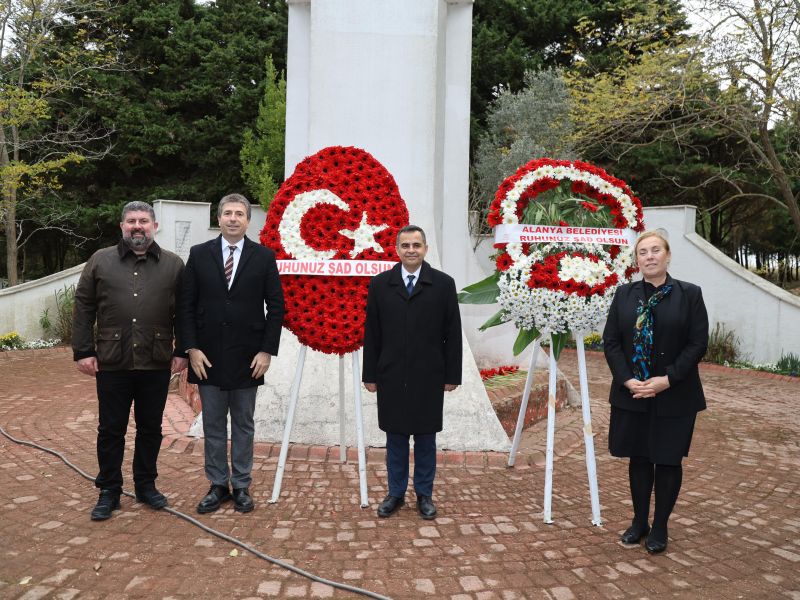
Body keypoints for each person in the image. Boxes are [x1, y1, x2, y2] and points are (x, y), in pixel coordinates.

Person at [73, 201, 187, 521]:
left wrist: (182, 350)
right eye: (131, 221)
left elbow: (185, 312)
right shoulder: (100, 261)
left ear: (154, 225)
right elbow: (84, 306)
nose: (138, 226)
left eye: (144, 221)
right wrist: (83, 350)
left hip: (156, 359)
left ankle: (145, 485)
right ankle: (109, 490)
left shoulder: (174, 265)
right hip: (113, 361)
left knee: (150, 428)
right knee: (111, 428)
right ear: (122, 226)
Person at [603, 229, 709, 554]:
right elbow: (611, 342)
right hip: (632, 393)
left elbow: (697, 344)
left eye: (655, 250)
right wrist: (626, 379)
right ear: (637, 261)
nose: (649, 257)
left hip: (675, 394)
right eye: (642, 252)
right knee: (639, 458)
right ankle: (639, 522)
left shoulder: (689, 294)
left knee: (666, 460)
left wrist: (668, 379)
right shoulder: (624, 295)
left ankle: (660, 525)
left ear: (668, 255)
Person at [178, 193, 284, 514]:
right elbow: (185, 306)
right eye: (228, 213)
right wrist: (192, 348)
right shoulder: (198, 255)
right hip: (206, 356)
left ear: (248, 220)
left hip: (248, 357)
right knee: (212, 423)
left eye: (240, 213)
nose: (233, 218)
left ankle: (241, 485)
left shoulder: (263, 257)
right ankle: (217, 485)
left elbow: (276, 307)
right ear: (219, 218)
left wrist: (267, 351)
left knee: (243, 424)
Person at [362, 225, 462, 520]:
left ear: (425, 249)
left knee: (425, 438)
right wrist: (370, 374)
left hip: (428, 375)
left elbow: (452, 333)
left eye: (416, 245)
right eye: (405, 245)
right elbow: (373, 334)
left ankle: (424, 494)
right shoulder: (380, 284)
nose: (411, 250)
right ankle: (395, 493)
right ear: (396, 249)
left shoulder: (443, 285)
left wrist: (452, 375)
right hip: (391, 374)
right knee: (395, 438)